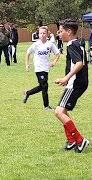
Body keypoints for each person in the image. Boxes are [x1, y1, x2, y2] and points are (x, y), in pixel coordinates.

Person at [54, 19, 89, 153]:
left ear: (69, 31)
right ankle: (71, 140)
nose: (59, 34)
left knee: (58, 112)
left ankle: (79, 140)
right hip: (79, 82)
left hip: (75, 83)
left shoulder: (71, 45)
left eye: (61, 31)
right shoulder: (78, 42)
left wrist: (66, 78)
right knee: (63, 112)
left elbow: (79, 63)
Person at [23, 26, 60, 110]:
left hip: (46, 68)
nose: (42, 35)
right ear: (38, 34)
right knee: (44, 85)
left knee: (42, 86)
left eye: (44, 33)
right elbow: (28, 53)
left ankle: (27, 93)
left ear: (47, 34)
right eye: (41, 33)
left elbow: (57, 54)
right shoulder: (36, 44)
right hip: (38, 68)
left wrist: (54, 61)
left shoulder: (50, 44)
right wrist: (27, 64)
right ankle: (46, 106)